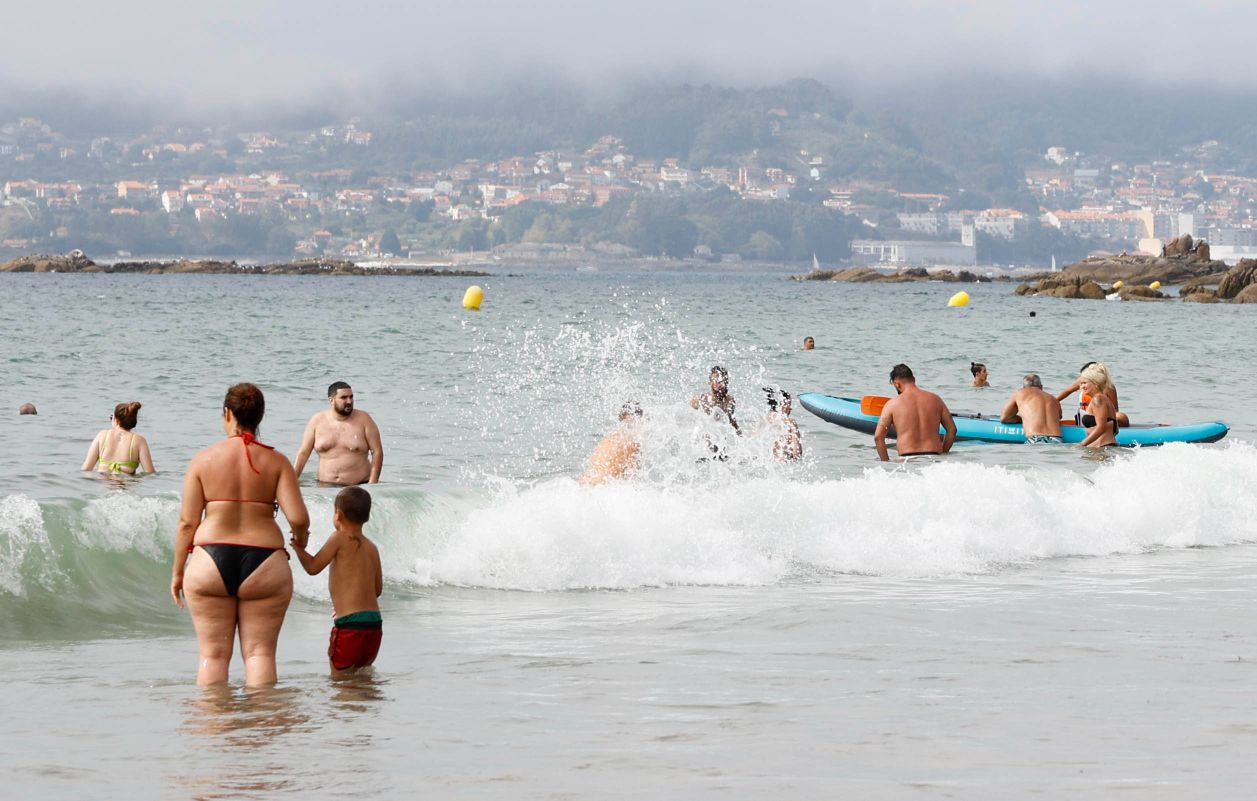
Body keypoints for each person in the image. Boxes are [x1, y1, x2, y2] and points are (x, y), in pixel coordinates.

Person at [171, 383, 310, 687]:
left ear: (226, 414)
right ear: (259, 418)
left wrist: (178, 571)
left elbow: (186, 523)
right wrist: (301, 540)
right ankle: (260, 728)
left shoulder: (202, 460)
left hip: (209, 560)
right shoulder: (277, 462)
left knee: (213, 655)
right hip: (264, 562)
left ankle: (215, 730)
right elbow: (298, 518)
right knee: (260, 654)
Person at [292, 486, 383, 676]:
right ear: (366, 517)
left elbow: (313, 567)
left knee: (340, 681)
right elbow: (377, 590)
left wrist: (298, 548)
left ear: (338, 515)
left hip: (350, 626)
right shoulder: (372, 548)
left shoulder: (338, 538)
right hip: (374, 625)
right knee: (361, 678)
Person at [294, 381, 384, 485]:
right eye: (344, 397)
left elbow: (377, 452)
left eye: (351, 397)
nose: (349, 401)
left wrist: (372, 484)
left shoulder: (364, 420)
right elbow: (303, 454)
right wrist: (291, 480)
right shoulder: (317, 421)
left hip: (358, 486)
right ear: (331, 400)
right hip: (324, 487)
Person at [873, 364, 956, 461]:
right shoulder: (936, 399)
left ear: (897, 384)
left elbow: (878, 437)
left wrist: (886, 463)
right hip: (934, 459)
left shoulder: (892, 404)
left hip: (907, 460)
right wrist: (943, 452)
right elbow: (952, 430)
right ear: (914, 379)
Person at [81, 401, 156, 475]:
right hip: (125, 484)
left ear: (116, 419)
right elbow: (150, 473)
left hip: (103, 483)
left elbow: (86, 468)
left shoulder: (102, 435)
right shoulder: (139, 440)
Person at [579, 402, 643, 485]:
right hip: (601, 489)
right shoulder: (631, 444)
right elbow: (632, 481)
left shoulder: (609, 438)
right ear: (638, 420)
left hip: (583, 485)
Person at [1057, 362, 1129, 428]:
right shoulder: (1081, 382)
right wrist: (1054, 402)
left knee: (1121, 416)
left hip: (1103, 416)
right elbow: (1067, 391)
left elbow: (1115, 410)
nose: (1082, 385)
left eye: (1085, 381)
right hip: (1086, 416)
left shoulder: (1109, 387)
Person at [1000, 374, 1064, 443]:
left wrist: (1024, 419)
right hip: (1056, 439)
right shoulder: (1053, 398)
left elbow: (1004, 418)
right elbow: (1059, 417)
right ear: (1041, 387)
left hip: (1035, 439)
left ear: (1023, 387)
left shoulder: (1020, 393)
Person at [1073, 363, 1119, 448]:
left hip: (1102, 448)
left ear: (1096, 383)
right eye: (1081, 383)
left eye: (1085, 383)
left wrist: (1081, 444)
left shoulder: (1098, 399)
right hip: (1104, 447)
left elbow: (1101, 427)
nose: (1081, 387)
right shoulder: (1103, 399)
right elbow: (1116, 430)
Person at [690, 366, 739, 433]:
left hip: (720, 436)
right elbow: (689, 416)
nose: (721, 384)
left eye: (723, 381)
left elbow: (732, 421)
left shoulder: (729, 401)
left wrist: (741, 436)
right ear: (710, 382)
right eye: (717, 380)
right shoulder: (702, 399)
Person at [765, 388, 803, 461]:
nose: (790, 408)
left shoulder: (763, 420)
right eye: (789, 404)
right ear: (782, 405)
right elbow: (797, 452)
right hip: (782, 463)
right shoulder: (789, 422)